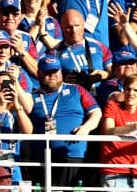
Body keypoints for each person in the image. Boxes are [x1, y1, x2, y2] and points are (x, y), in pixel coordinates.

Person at [27, 56, 102, 189]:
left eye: (55, 71)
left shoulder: (77, 89)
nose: (52, 76)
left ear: (61, 72)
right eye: (48, 72)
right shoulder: (33, 96)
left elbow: (96, 112)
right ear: (39, 74)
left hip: (73, 155)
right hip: (41, 158)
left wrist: (86, 127)